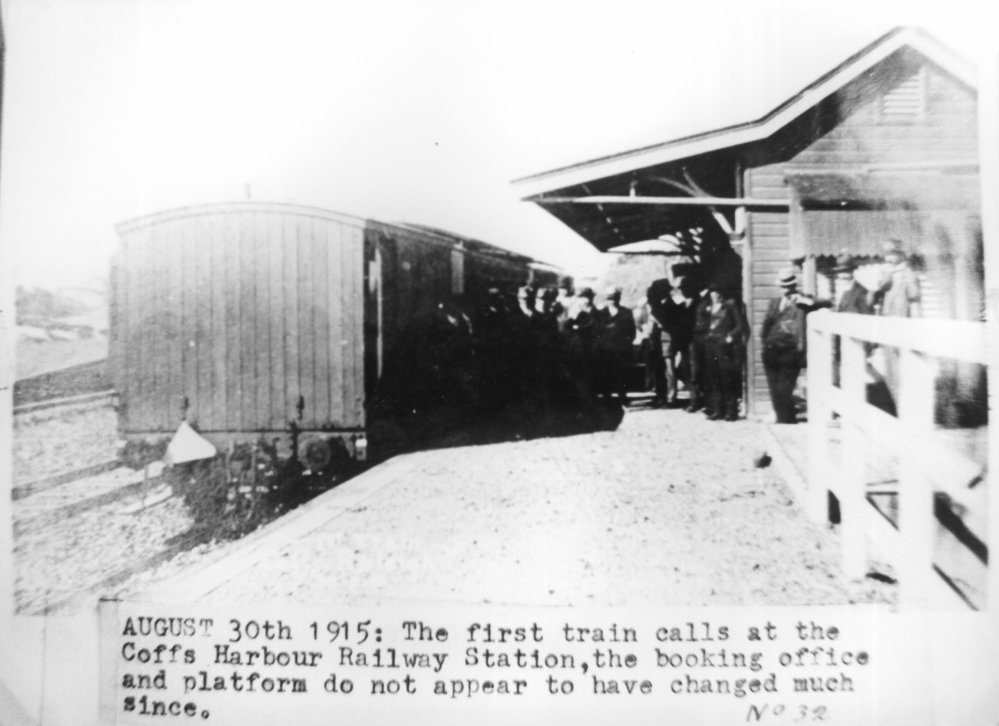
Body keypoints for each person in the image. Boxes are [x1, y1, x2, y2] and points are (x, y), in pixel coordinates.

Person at [760, 268, 813, 424]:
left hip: (790, 353)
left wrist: (804, 299)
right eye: (783, 286)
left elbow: (823, 302)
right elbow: (766, 326)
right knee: (775, 391)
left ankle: (784, 423)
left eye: (788, 286)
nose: (786, 290)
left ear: (794, 286)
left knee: (784, 390)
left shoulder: (802, 301)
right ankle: (786, 420)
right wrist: (766, 344)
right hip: (771, 352)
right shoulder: (775, 303)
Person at [871, 239, 921, 403]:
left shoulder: (907, 273)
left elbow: (914, 298)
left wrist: (917, 326)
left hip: (901, 320)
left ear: (900, 255)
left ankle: (903, 401)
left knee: (902, 364)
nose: (888, 259)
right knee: (889, 364)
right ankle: (895, 400)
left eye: (892, 254)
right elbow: (874, 299)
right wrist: (881, 284)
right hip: (886, 321)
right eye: (886, 255)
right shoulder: (885, 274)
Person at [703, 282, 747, 421]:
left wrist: (730, 337)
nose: (715, 295)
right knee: (714, 378)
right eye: (712, 292)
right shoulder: (709, 307)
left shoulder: (730, 305)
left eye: (717, 292)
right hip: (711, 345)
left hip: (724, 346)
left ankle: (731, 411)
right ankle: (718, 410)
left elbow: (740, 326)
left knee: (727, 378)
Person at [596, 287, 636, 404]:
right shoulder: (601, 314)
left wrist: (626, 343)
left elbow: (632, 331)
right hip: (606, 350)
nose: (612, 301)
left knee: (622, 375)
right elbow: (597, 332)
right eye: (609, 298)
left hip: (622, 350)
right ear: (606, 299)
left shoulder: (626, 312)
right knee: (606, 374)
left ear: (618, 298)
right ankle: (607, 399)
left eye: (614, 298)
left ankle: (623, 398)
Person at [686, 279, 712, 414]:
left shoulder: (711, 299)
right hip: (694, 339)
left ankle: (709, 403)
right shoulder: (694, 299)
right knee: (694, 372)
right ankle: (695, 401)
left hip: (706, 339)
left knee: (707, 371)